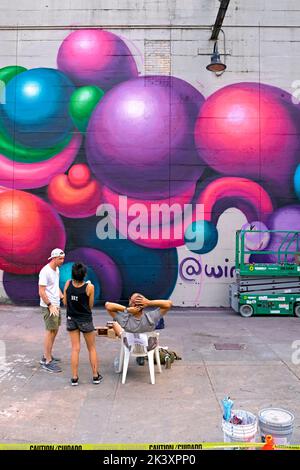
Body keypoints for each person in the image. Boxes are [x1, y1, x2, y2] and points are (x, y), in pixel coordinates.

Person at [63, 262, 102, 386]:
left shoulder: (68, 284)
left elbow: (65, 302)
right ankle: (95, 376)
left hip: (71, 319)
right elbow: (90, 306)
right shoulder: (89, 287)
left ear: (73, 274)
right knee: (91, 348)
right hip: (85, 320)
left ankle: (74, 377)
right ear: (84, 275)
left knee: (75, 349)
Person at [105, 294, 172, 365]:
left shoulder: (124, 319)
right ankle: (141, 354)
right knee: (143, 336)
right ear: (143, 304)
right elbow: (169, 303)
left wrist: (126, 310)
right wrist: (149, 302)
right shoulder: (151, 317)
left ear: (131, 304)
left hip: (130, 346)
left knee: (115, 324)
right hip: (149, 346)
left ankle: (138, 351)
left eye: (130, 299)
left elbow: (107, 305)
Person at [38, 248, 65, 373]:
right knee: (50, 332)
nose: (62, 261)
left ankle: (47, 355)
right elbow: (41, 291)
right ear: (53, 258)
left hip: (56, 304)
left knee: (55, 331)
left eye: (63, 258)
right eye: (60, 259)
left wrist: (62, 297)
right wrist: (50, 305)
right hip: (49, 306)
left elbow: (55, 287)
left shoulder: (57, 270)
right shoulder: (45, 271)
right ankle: (47, 361)